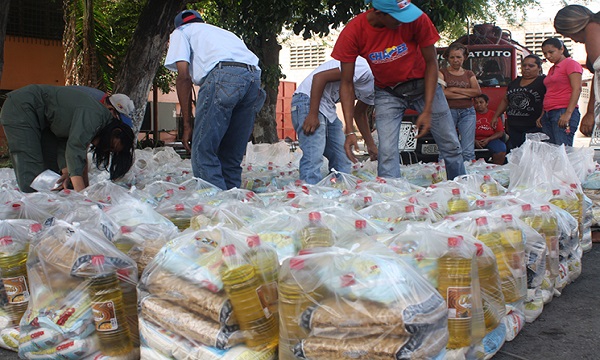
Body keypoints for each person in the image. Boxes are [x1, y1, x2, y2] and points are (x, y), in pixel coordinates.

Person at [331, 0, 465, 180]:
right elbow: (346, 83)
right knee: (386, 153)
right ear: (379, 13)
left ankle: (460, 187)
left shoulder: (417, 19)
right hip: (388, 92)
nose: (403, 21)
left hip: (423, 85)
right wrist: (349, 130)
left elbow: (432, 63)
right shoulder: (354, 31)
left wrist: (427, 109)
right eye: (397, 18)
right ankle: (390, 198)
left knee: (451, 144)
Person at [164, 10, 266, 190]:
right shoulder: (222, 33)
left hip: (223, 77)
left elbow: (183, 77)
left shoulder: (181, 32)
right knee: (231, 155)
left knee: (203, 152)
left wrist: (187, 125)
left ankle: (217, 208)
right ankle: (232, 207)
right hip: (253, 79)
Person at [0, 84, 135, 193]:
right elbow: (75, 148)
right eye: (110, 146)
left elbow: (65, 141)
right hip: (24, 107)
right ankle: (31, 216)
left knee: (55, 177)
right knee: (31, 175)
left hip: (45, 123)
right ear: (115, 130)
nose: (106, 149)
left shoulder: (98, 122)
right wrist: (83, 197)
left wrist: (68, 173)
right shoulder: (94, 115)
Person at [291, 57, 377, 184]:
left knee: (342, 155)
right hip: (308, 100)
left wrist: (370, 145)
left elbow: (359, 113)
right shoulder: (365, 69)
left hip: (328, 107)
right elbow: (319, 78)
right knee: (313, 154)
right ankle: (309, 195)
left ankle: (339, 191)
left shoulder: (378, 90)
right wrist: (313, 114)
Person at [554, 5, 600, 138]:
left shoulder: (592, 27)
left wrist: (592, 113)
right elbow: (597, 75)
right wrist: (591, 111)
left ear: (573, 27)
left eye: (568, 35)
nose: (573, 40)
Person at [492, 55, 546, 149]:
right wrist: (496, 116)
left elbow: (548, 101)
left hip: (533, 126)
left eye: (531, 66)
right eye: (524, 65)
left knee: (530, 154)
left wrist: (542, 116)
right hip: (514, 126)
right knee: (515, 154)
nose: (526, 68)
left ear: (539, 68)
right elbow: (505, 100)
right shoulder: (514, 82)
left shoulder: (543, 82)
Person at [439, 42, 482, 161]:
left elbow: (477, 92)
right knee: (447, 146)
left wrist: (453, 89)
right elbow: (442, 93)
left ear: (464, 58)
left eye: (458, 57)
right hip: (448, 111)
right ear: (447, 58)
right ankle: (443, 174)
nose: (455, 60)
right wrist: (466, 93)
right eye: (452, 57)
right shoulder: (442, 73)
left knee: (468, 149)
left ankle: (468, 176)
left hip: (468, 112)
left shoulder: (469, 73)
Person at [539, 37, 583, 146]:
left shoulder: (571, 64)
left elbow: (577, 89)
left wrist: (567, 114)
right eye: (545, 53)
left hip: (562, 112)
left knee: (562, 151)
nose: (548, 56)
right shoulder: (552, 69)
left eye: (551, 52)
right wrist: (542, 114)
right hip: (549, 113)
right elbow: (550, 92)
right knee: (551, 152)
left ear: (561, 49)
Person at [474, 94, 506, 165]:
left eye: (481, 102)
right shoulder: (469, 115)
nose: (478, 105)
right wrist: (474, 141)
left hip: (491, 139)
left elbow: (500, 132)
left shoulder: (494, 115)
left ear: (487, 103)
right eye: (476, 103)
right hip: (472, 140)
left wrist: (488, 139)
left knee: (501, 149)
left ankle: (496, 171)